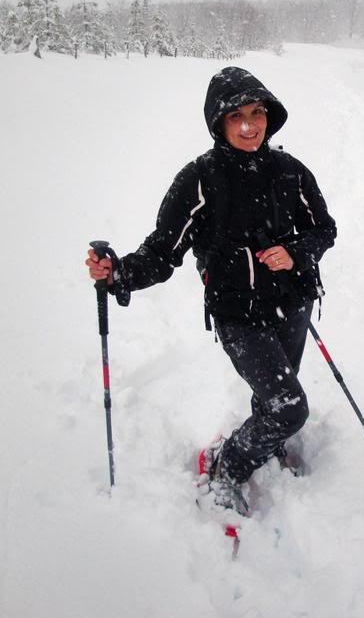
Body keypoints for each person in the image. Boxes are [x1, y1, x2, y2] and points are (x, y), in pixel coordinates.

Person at [85, 66, 336, 514]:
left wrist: (295, 252)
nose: (248, 125)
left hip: (293, 304)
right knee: (289, 407)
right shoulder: (199, 179)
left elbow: (324, 229)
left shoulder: (290, 171)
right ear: (218, 123)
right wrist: (118, 273)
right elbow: (163, 251)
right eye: (236, 115)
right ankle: (229, 465)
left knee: (272, 397)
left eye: (257, 112)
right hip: (238, 314)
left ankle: (266, 440)